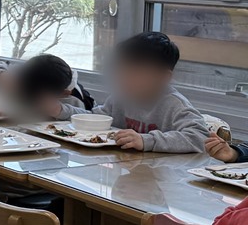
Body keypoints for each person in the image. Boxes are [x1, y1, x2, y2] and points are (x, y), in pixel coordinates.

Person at [46, 31, 207, 152]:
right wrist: (61, 110)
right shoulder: (121, 97)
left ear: (163, 77)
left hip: (161, 177)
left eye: (134, 73)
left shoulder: (174, 104)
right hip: (128, 167)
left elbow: (200, 137)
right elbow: (96, 117)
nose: (124, 78)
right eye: (121, 70)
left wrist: (146, 140)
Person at [0, 54, 95, 111]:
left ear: (63, 93)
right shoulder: (26, 73)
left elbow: (82, 123)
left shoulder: (74, 100)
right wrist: (2, 75)